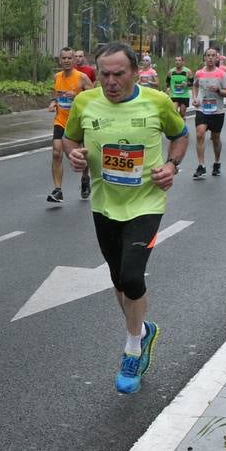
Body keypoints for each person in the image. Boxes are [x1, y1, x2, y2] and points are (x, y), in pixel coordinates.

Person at [62, 43, 189, 394]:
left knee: (133, 276)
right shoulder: (85, 103)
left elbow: (180, 136)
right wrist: (75, 155)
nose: (111, 81)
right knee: (119, 280)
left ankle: (132, 350)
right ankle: (143, 330)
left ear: (135, 72)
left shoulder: (157, 102)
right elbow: (70, 139)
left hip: (146, 203)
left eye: (119, 74)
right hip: (104, 204)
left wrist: (171, 165)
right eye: (104, 74)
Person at [48, 47, 94, 202]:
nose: (66, 61)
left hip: (78, 121)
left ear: (74, 60)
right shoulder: (57, 77)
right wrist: (53, 102)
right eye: (64, 58)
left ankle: (85, 178)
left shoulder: (82, 78)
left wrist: (77, 95)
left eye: (69, 58)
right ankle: (58, 190)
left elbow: (93, 98)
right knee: (56, 152)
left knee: (81, 154)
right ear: (59, 60)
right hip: (61, 120)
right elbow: (55, 94)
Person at [190, 48, 226, 179]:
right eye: (208, 55)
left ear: (217, 58)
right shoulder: (199, 73)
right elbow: (195, 85)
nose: (210, 58)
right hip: (202, 109)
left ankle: (217, 162)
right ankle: (201, 165)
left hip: (217, 111)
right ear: (204, 58)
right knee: (200, 134)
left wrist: (219, 90)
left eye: (213, 56)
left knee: (215, 138)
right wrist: (195, 98)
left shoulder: (221, 74)